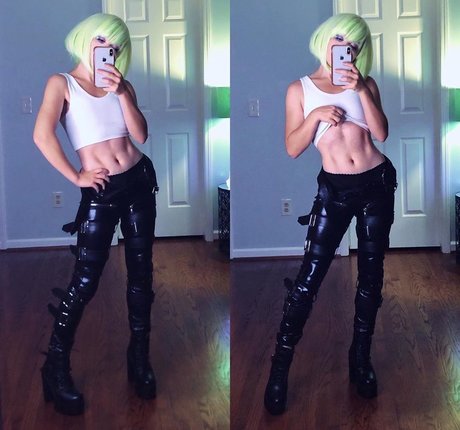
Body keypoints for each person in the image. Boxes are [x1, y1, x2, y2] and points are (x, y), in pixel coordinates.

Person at [264, 13, 397, 415]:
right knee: (308, 279)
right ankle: (279, 369)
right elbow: (292, 148)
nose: (346, 48)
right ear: (324, 40)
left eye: (354, 44)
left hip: (376, 184)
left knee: (371, 279)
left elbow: (381, 133)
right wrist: (314, 116)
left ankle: (360, 360)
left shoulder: (366, 83)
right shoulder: (300, 89)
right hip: (334, 191)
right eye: (340, 39)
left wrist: (361, 91)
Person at [33, 13, 158, 415]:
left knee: (141, 276)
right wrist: (76, 176)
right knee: (85, 281)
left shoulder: (122, 85)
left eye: (116, 46)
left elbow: (141, 135)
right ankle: (55, 368)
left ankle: (138, 358)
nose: (109, 50)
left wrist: (122, 93)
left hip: (139, 182)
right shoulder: (62, 83)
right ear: (86, 39)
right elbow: (42, 135)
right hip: (101, 191)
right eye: (103, 40)